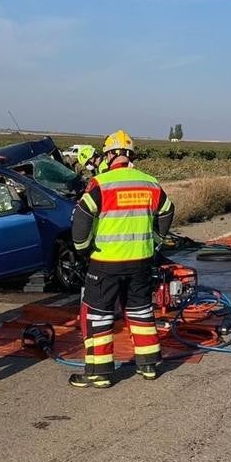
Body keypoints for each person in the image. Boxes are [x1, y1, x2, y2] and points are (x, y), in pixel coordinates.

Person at [70, 130, 174, 388]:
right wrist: (156, 241)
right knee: (140, 311)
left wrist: (83, 249)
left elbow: (82, 217)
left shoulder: (101, 183)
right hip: (141, 260)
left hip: (106, 263)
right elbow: (167, 210)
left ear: (110, 155)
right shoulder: (149, 182)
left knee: (99, 316)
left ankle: (99, 372)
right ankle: (148, 365)